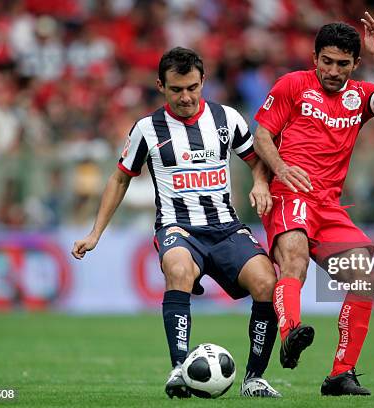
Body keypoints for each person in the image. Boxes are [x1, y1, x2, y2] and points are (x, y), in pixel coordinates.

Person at [72, 47, 281, 399]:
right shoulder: (147, 129)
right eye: (176, 89)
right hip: (177, 228)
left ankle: (254, 378)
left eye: (193, 88)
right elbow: (120, 178)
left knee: (266, 282)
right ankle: (179, 369)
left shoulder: (227, 118)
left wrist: (261, 182)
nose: (186, 97)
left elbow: (256, 160)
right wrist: (95, 233)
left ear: (203, 82)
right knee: (179, 270)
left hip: (226, 227)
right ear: (161, 86)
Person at [253, 12, 374, 396]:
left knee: (365, 277)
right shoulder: (293, 85)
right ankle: (290, 334)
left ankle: (341, 373)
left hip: (330, 207)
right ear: (314, 58)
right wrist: (280, 169)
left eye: (342, 64)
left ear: (354, 64)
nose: (334, 71)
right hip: (291, 195)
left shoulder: (359, 95)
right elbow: (262, 135)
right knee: (294, 259)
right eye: (327, 61)